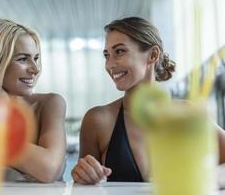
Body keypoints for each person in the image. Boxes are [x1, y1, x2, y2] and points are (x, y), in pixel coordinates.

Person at [71, 16, 225, 185]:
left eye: (120, 51)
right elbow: (83, 186)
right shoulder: (98, 120)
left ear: (152, 55)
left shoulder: (185, 114)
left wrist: (211, 176)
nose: (110, 64)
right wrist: (83, 174)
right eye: (107, 55)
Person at [0, 18, 66, 183]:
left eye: (35, 58)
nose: (35, 69)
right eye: (22, 59)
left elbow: (48, 169)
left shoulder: (50, 104)